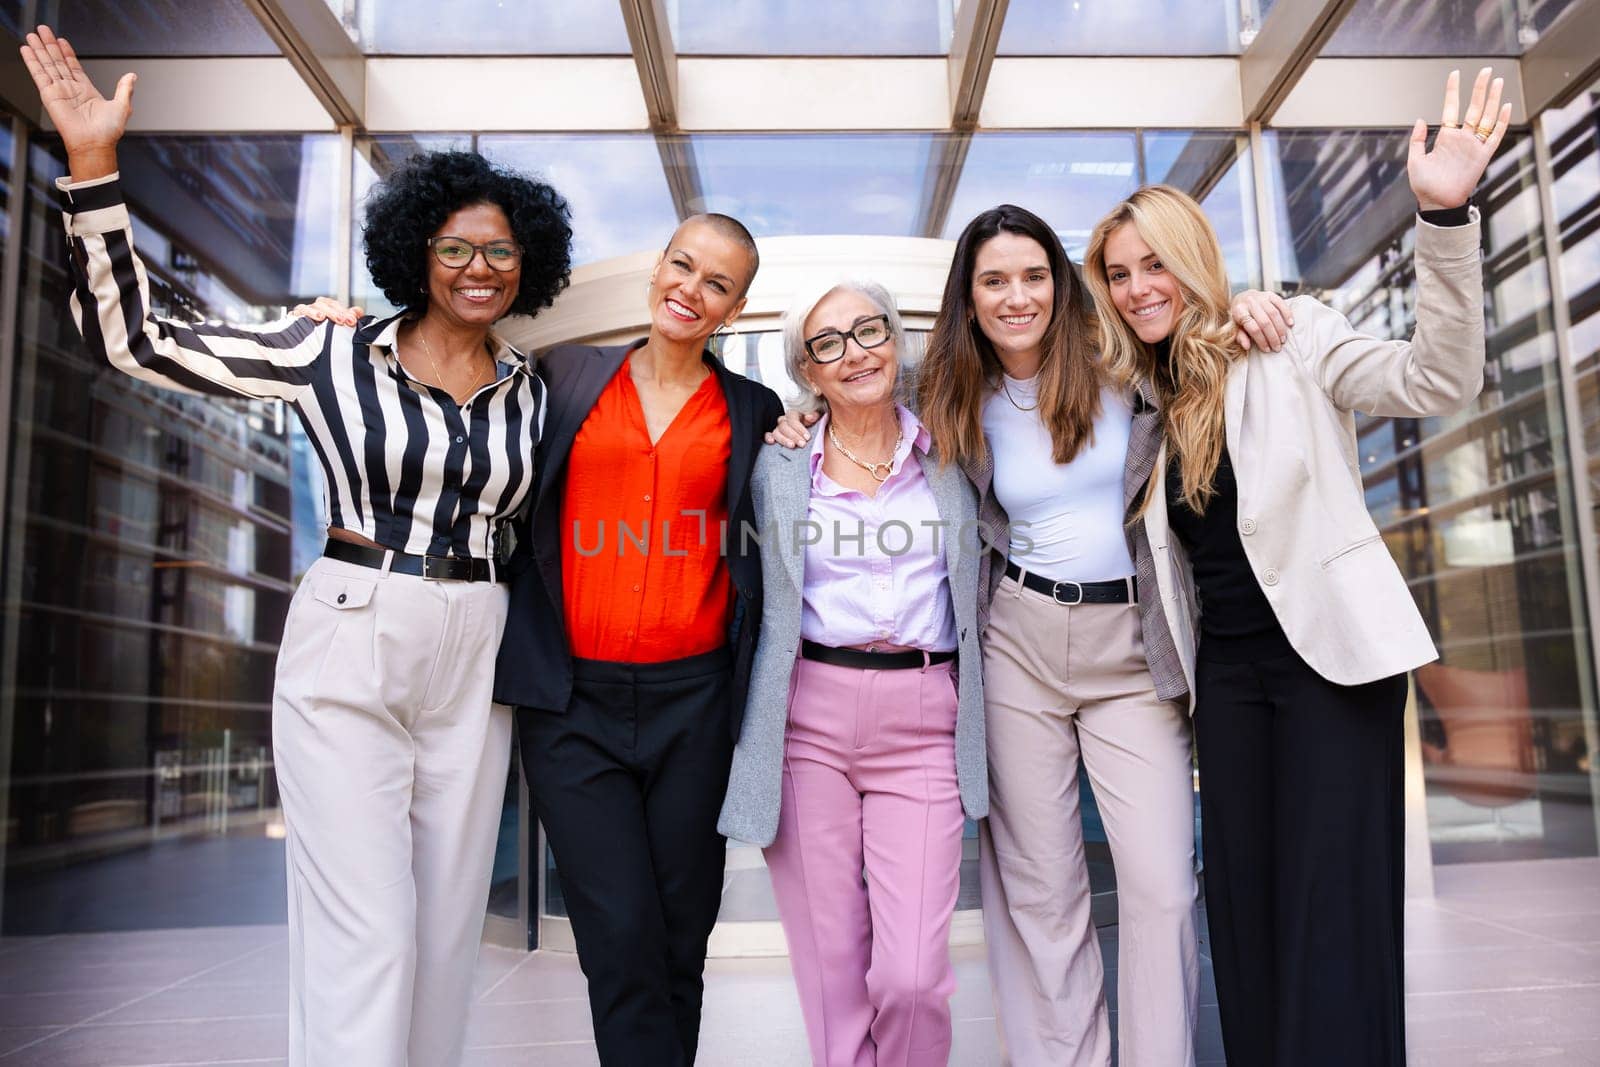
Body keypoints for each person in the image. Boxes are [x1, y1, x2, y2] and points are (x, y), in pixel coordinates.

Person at [20, 25, 574, 1067]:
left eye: (500, 249)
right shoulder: (328, 349)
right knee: (366, 924)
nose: (478, 267)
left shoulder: (530, 391)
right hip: (355, 624)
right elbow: (137, 338)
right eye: (454, 245)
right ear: (416, 251)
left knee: (447, 925)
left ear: (528, 261)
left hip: (476, 647)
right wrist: (93, 167)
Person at [769, 210, 1285, 1066]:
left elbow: (1199, 338)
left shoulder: (1125, 363)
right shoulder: (946, 393)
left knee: (1159, 883)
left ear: (1062, 282)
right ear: (966, 300)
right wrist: (792, 418)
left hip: (1130, 642)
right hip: (1015, 641)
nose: (1018, 297)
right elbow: (850, 404)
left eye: (1034, 276)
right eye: (994, 281)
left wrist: (1262, 305)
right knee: (1042, 892)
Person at [1082, 67, 1509, 1067]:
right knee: (1248, 910)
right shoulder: (1141, 403)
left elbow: (1437, 376)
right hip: (1227, 684)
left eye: (1155, 264)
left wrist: (1442, 219)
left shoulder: (1291, 334)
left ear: (1194, 261)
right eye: (1117, 272)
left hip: (1332, 671)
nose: (1137, 286)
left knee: (1330, 913)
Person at [492, 214, 784, 1066]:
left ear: (734, 309)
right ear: (659, 267)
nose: (690, 290)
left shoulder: (753, 410)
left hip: (692, 707)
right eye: (682, 266)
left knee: (679, 936)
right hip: (573, 706)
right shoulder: (564, 376)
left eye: (716, 284)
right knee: (619, 935)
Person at [719, 280, 988, 1066]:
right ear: (809, 368)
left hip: (924, 716)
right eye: (828, 342)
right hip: (809, 719)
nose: (854, 352)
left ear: (895, 340)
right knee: (832, 969)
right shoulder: (780, 463)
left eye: (867, 330)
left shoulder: (954, 448)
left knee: (910, 975)